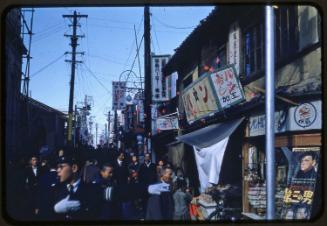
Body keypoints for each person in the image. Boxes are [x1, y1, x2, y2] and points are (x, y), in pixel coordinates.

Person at [51, 154, 103, 220]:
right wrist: (54, 210)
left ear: (74, 168)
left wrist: (81, 209)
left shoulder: (92, 191)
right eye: (57, 167)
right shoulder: (54, 190)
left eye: (61, 167)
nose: (58, 170)